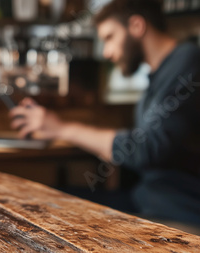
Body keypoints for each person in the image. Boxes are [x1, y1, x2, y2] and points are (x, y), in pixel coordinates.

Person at [10, 0, 200, 225]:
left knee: (45, 210)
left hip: (177, 214)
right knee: (44, 199)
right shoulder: (160, 75)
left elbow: (147, 148)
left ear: (137, 26)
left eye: (110, 38)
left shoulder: (189, 63)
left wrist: (61, 129)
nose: (107, 53)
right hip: (146, 201)